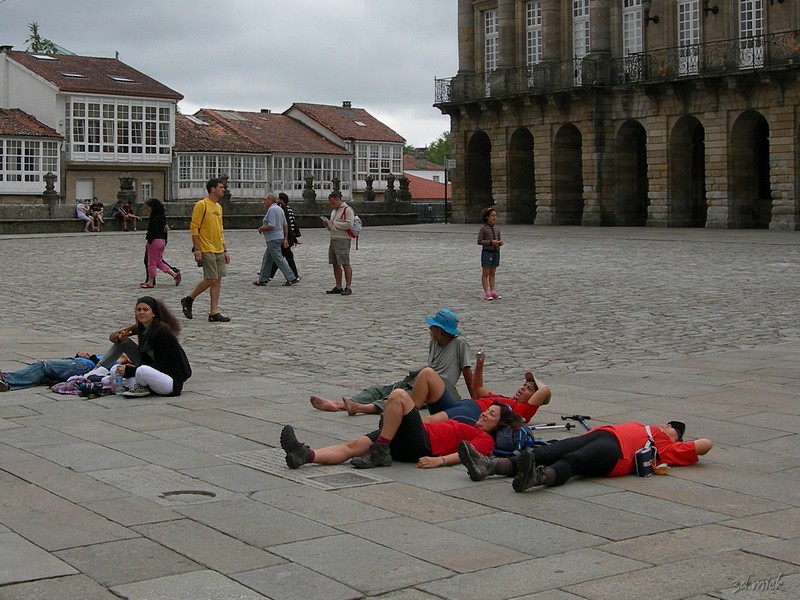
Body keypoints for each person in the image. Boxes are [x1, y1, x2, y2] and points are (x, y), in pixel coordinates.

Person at [282, 388, 524, 470]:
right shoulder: (468, 424)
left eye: (491, 414)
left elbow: (467, 455)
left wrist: (438, 462)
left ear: (498, 425)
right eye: (487, 410)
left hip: (422, 445)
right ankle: (306, 456)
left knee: (399, 396)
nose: (484, 413)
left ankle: (382, 451)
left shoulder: (485, 439)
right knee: (354, 446)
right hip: (410, 438)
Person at [457, 421, 714, 491]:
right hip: (605, 435)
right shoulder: (651, 429)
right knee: (548, 451)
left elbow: (706, 444)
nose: (667, 426)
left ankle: (537, 478)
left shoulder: (668, 447)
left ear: (677, 437)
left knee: (574, 462)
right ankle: (489, 466)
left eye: (672, 427)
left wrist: (678, 442)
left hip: (618, 453)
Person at [310, 309, 475, 415]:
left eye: (433, 328)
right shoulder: (433, 342)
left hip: (441, 387)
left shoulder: (459, 343)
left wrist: (475, 397)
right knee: (384, 390)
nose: (429, 330)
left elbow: (467, 371)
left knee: (401, 398)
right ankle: (338, 404)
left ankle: (359, 408)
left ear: (442, 331)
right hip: (423, 378)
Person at [411, 349, 551, 425]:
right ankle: (409, 413)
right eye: (524, 385)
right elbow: (477, 389)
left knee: (427, 422)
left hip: (470, 412)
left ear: (534, 399)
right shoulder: (504, 400)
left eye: (529, 389)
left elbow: (545, 391)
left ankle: (396, 435)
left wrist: (542, 387)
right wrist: (479, 366)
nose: (522, 388)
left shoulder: (520, 412)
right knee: (427, 374)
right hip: (457, 405)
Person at [102, 296, 191, 398]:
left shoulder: (162, 332)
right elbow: (144, 360)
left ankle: (141, 386)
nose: (141, 312)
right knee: (115, 370)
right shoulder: (143, 329)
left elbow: (159, 366)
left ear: (153, 313)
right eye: (139, 310)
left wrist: (130, 371)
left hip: (169, 381)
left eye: (145, 310)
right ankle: (141, 387)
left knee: (142, 370)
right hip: (152, 375)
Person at [181, 178, 231, 322]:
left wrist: (225, 249)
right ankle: (189, 299)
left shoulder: (219, 207)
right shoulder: (202, 205)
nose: (223, 190)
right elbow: (194, 227)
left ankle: (214, 312)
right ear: (213, 189)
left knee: (217, 280)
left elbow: (220, 230)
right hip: (206, 246)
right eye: (221, 187)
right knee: (211, 278)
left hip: (218, 248)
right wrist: (197, 249)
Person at [253, 192, 299, 287]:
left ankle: (291, 277)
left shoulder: (272, 210)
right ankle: (263, 279)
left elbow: (271, 226)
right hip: (279, 236)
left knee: (278, 259)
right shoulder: (280, 209)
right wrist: (285, 237)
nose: (264, 202)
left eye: (265, 200)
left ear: (270, 200)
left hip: (273, 238)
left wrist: (261, 228)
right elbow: (285, 225)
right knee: (267, 258)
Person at [0, 352, 102, 391]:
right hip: (79, 362)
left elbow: (108, 366)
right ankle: (8, 385)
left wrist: (92, 358)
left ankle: (6, 378)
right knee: (39, 376)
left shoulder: (117, 358)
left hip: (86, 366)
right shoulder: (114, 349)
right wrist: (80, 354)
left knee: (43, 366)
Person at [141, 198, 181, 289]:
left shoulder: (154, 217)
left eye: (147, 208)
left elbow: (152, 231)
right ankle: (174, 274)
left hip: (155, 241)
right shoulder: (162, 217)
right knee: (158, 262)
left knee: (151, 262)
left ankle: (150, 282)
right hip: (162, 240)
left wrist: (149, 241)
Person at [322, 190, 354, 295]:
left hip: (343, 239)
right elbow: (333, 226)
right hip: (334, 238)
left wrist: (334, 223)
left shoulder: (347, 210)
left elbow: (349, 225)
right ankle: (338, 285)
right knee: (335, 263)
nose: (332, 205)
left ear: (338, 199)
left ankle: (348, 286)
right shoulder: (334, 211)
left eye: (333, 203)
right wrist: (328, 225)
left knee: (345, 262)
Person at [268, 192, 301, 281]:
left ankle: (294, 275)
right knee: (280, 257)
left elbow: (287, 225)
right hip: (288, 236)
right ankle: (269, 274)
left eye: (278, 199)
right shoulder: (288, 209)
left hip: (284, 236)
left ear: (281, 200)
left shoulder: (282, 210)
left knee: (281, 257)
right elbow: (293, 224)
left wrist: (287, 238)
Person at [478, 206, 503, 301]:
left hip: (496, 251)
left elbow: (498, 238)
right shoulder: (483, 228)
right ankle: (487, 292)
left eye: (495, 215)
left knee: (493, 273)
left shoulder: (497, 228)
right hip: (487, 252)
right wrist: (490, 242)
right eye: (492, 215)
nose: (494, 217)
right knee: (486, 273)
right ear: (487, 217)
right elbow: (479, 241)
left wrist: (500, 243)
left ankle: (493, 291)